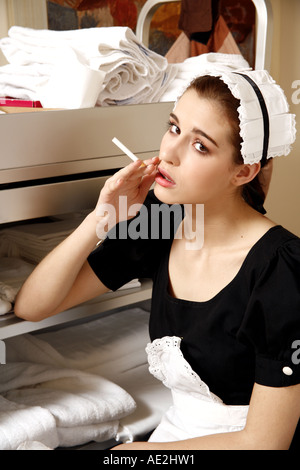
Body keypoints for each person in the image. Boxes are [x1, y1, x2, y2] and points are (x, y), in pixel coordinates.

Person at [14, 70, 300, 450]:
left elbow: (265, 442)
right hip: (176, 435)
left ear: (243, 171)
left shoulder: (282, 270)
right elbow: (33, 307)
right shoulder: (162, 221)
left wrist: (143, 455)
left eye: (200, 146)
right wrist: (100, 219)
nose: (168, 153)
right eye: (174, 128)